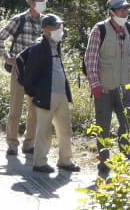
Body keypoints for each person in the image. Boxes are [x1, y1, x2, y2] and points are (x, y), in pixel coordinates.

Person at [19, 14, 80, 174]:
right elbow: (31, 75)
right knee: (44, 131)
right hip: (45, 96)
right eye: (56, 27)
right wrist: (33, 94)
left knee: (65, 130)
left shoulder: (56, 45)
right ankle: (39, 162)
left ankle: (65, 161)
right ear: (45, 29)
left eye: (60, 26)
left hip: (61, 94)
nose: (60, 30)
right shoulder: (38, 48)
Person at [85, 0, 130, 176]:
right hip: (104, 88)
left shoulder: (128, 28)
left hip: (124, 88)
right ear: (112, 12)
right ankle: (104, 164)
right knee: (103, 127)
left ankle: (128, 158)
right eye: (122, 9)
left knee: (127, 123)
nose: (125, 12)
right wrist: (95, 85)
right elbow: (90, 59)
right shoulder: (100, 30)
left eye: (126, 9)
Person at [0, 0, 47, 157]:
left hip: (38, 71)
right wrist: (7, 57)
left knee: (34, 110)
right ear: (30, 2)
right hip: (20, 69)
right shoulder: (19, 19)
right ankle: (12, 143)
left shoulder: (46, 21)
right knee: (15, 108)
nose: (43, 1)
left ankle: (29, 142)